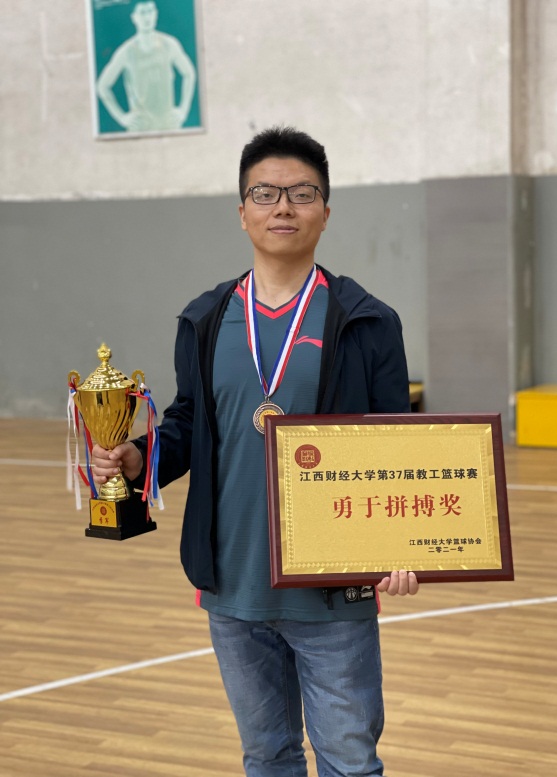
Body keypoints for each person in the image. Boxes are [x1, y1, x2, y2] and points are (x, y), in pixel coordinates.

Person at [92, 127, 419, 777]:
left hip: (332, 588)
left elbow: (394, 443)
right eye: (265, 193)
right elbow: (189, 421)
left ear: (325, 211)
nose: (283, 207)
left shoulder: (368, 321)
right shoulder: (205, 318)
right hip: (233, 586)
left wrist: (402, 545)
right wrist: (139, 457)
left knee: (351, 762)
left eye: (302, 193)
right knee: (266, 757)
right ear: (241, 211)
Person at [96, 0, 196, 133]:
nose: (147, 17)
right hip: (140, 128)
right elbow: (102, 86)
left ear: (156, 14)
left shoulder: (169, 44)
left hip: (168, 126)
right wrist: (122, 118)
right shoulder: (126, 52)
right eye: (142, 13)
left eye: (150, 11)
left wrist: (183, 110)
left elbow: (189, 73)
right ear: (134, 17)